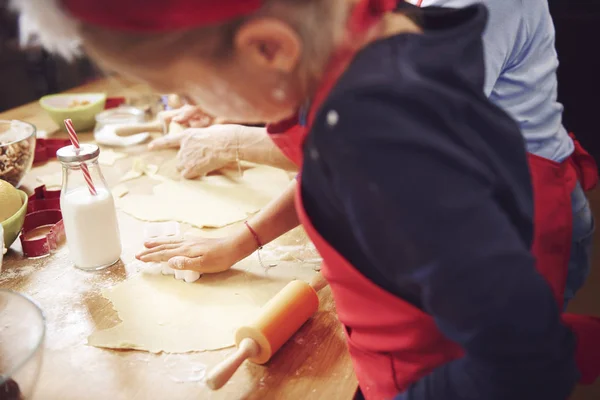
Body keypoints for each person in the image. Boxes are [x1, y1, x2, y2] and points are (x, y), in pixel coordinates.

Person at [14, 0, 600, 398]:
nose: (195, 99)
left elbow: (524, 356)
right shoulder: (357, 60)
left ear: (270, 49)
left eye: (191, 84)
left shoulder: (382, 143)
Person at [146, 0, 596, 309]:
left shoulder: (476, 8)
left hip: (520, 224)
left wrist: (243, 228)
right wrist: (237, 90)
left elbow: (368, 144)